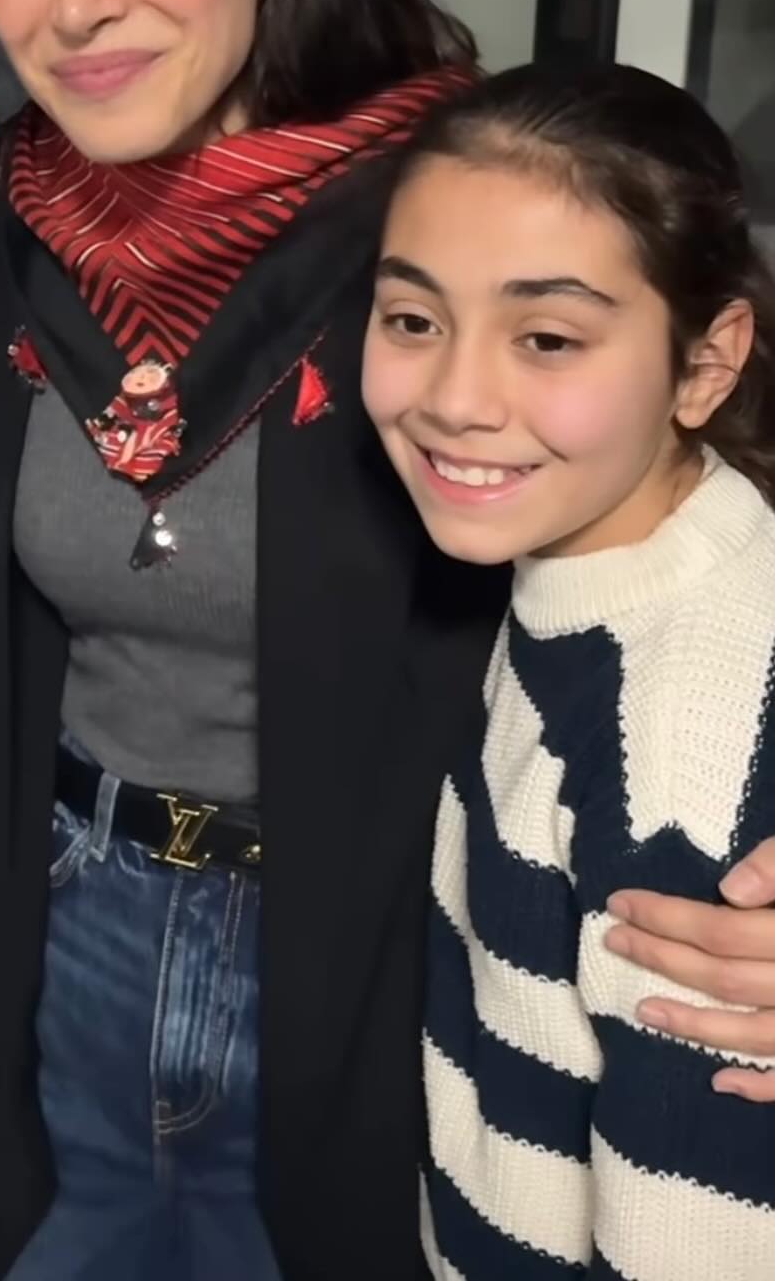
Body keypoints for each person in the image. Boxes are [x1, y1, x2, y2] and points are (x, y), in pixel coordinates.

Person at [0, 0, 775, 1281]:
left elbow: (700, 491)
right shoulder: (0, 226)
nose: (72, 5)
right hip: (57, 927)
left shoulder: (452, 215)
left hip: (380, 957)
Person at [363, 63, 775, 1279]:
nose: (456, 399)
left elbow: (693, 1231)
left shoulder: (683, 751)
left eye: (547, 338)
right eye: (413, 320)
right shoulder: (578, 576)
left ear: (706, 365)